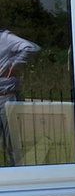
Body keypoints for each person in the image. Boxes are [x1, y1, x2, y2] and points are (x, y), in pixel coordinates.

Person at [0, 29, 40, 165]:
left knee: (12, 143)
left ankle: (17, 174)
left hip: (6, 98)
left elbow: (31, 48)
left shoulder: (5, 37)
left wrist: (14, 65)